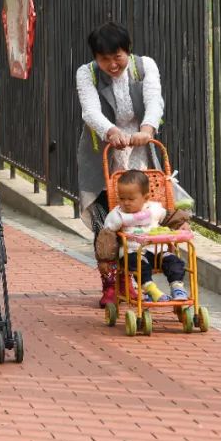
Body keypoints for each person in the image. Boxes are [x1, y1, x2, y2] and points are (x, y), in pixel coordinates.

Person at [75, 22, 164, 307]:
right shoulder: (86, 74)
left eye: (118, 57)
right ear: (95, 58)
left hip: (139, 152)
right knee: (106, 223)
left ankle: (135, 277)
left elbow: (154, 100)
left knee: (139, 217)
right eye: (104, 59)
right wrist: (111, 133)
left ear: (128, 51)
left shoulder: (144, 66)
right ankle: (111, 282)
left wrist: (147, 129)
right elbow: (90, 111)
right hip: (102, 154)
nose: (112, 64)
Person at [102, 170, 190, 302]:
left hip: (157, 250)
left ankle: (177, 286)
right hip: (132, 252)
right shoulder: (117, 215)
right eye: (121, 198)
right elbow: (106, 237)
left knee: (174, 261)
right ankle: (151, 289)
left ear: (146, 198)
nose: (125, 202)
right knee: (139, 265)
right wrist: (105, 259)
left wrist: (181, 223)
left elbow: (169, 216)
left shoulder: (154, 209)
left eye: (131, 199)